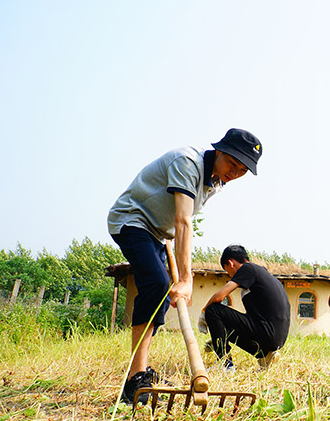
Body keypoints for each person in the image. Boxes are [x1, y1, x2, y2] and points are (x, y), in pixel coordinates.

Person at [108, 128, 263, 404]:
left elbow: (175, 223)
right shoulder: (187, 163)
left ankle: (140, 371)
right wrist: (186, 276)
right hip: (131, 220)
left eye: (242, 170)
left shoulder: (214, 183)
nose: (234, 172)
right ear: (219, 151)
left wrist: (174, 266)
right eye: (232, 164)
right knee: (156, 285)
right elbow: (183, 221)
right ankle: (134, 380)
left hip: (156, 233)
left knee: (161, 297)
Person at [200, 245, 290, 371]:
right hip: (275, 337)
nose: (230, 276)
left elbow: (219, 297)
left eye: (227, 271)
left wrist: (204, 312)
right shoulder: (262, 272)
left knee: (213, 310)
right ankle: (267, 355)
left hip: (267, 332)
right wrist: (219, 335)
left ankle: (225, 364)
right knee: (223, 319)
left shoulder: (247, 269)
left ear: (231, 263)